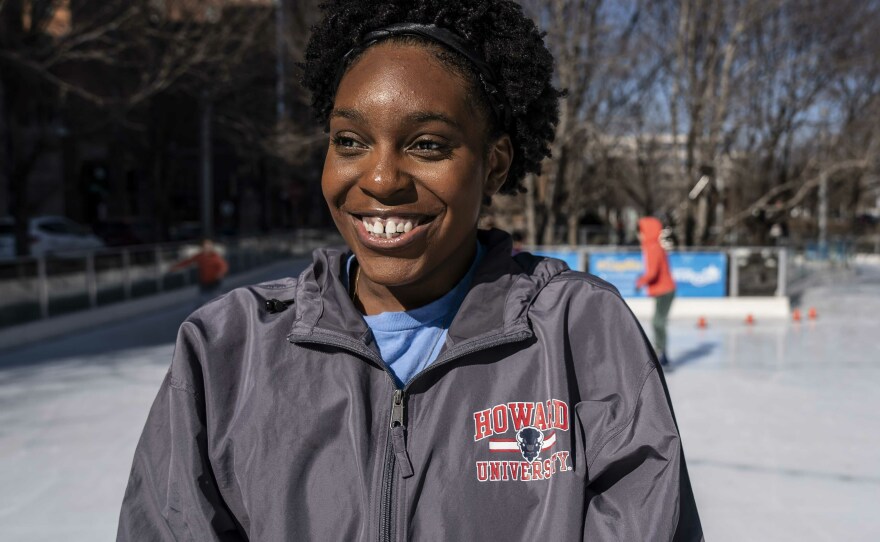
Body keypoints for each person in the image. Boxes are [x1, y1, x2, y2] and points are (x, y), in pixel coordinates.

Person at [117, 1, 702, 540]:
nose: (379, 179)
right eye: (350, 141)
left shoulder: (580, 334)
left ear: (494, 165)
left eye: (426, 145)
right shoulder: (225, 352)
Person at [635, 217, 677, 366]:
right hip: (664, 289)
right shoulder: (653, 247)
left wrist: (640, 282)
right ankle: (661, 351)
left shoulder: (653, 248)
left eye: (640, 232)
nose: (639, 236)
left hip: (665, 290)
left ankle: (662, 353)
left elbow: (652, 272)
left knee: (658, 322)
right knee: (657, 322)